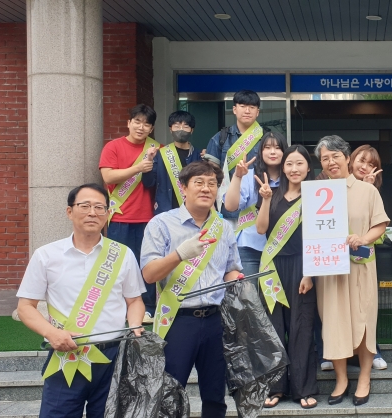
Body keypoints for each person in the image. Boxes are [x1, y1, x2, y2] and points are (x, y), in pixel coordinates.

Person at [16, 184, 145, 418]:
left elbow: (134, 300)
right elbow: (25, 307)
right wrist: (52, 333)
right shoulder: (46, 255)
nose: (92, 213)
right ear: (70, 211)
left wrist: (135, 325)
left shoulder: (123, 254)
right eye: (85, 206)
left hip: (112, 357)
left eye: (99, 207)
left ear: (107, 213)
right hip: (66, 355)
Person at [140, 161, 242, 418]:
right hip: (177, 321)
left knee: (215, 396)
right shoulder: (161, 224)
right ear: (183, 188)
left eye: (212, 184)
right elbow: (149, 274)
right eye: (199, 183)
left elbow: (231, 269)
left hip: (216, 321)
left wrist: (238, 279)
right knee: (170, 396)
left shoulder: (224, 228)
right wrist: (179, 254)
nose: (206, 189)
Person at [315, 135, 389, 407]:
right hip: (329, 270)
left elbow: (380, 224)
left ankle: (364, 378)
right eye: (325, 158)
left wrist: (363, 238)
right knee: (334, 322)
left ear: (347, 158)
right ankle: (341, 379)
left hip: (360, 267)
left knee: (364, 319)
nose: (331, 162)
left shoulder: (368, 191)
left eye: (336, 156)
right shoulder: (316, 193)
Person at [254, 144, 319, 409]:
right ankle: (275, 387)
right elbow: (261, 230)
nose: (294, 169)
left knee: (302, 327)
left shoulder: (316, 196)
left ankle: (303, 388)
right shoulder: (272, 193)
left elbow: (318, 237)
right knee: (273, 328)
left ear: (308, 167)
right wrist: (266, 200)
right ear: (283, 168)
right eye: (289, 164)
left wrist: (310, 273)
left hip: (303, 267)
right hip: (272, 268)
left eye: (299, 163)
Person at [99, 104, 159, 322]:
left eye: (146, 124)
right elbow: (108, 177)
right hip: (120, 217)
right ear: (129, 123)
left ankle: (148, 308)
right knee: (119, 266)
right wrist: (138, 168)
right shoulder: (113, 147)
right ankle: (119, 308)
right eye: (137, 122)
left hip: (150, 219)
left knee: (148, 265)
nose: (141, 127)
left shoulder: (158, 149)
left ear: (151, 128)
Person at [223, 132, 286, 274]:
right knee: (249, 289)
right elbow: (230, 206)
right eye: (267, 147)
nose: (272, 152)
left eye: (277, 148)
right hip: (250, 247)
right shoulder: (249, 176)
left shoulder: (290, 177)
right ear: (260, 152)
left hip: (282, 247)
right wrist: (238, 176)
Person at [348, 144, 388, 371]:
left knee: (366, 307)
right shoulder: (335, 185)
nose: (365, 167)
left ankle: (373, 352)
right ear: (351, 160)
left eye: (371, 164)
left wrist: (368, 187)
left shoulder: (372, 192)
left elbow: (378, 226)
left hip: (365, 257)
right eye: (361, 160)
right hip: (337, 258)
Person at [205, 90, 264, 224]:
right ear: (234, 109)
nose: (247, 111)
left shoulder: (266, 139)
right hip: (226, 211)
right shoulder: (220, 138)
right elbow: (210, 175)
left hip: (258, 209)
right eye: (242, 106)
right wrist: (211, 206)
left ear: (258, 112)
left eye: (252, 107)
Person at [150, 110, 202, 216]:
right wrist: (148, 162)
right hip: (165, 211)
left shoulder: (199, 155)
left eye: (185, 126)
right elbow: (149, 183)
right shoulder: (160, 154)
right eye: (177, 126)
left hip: (192, 211)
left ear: (192, 130)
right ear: (170, 129)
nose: (181, 130)